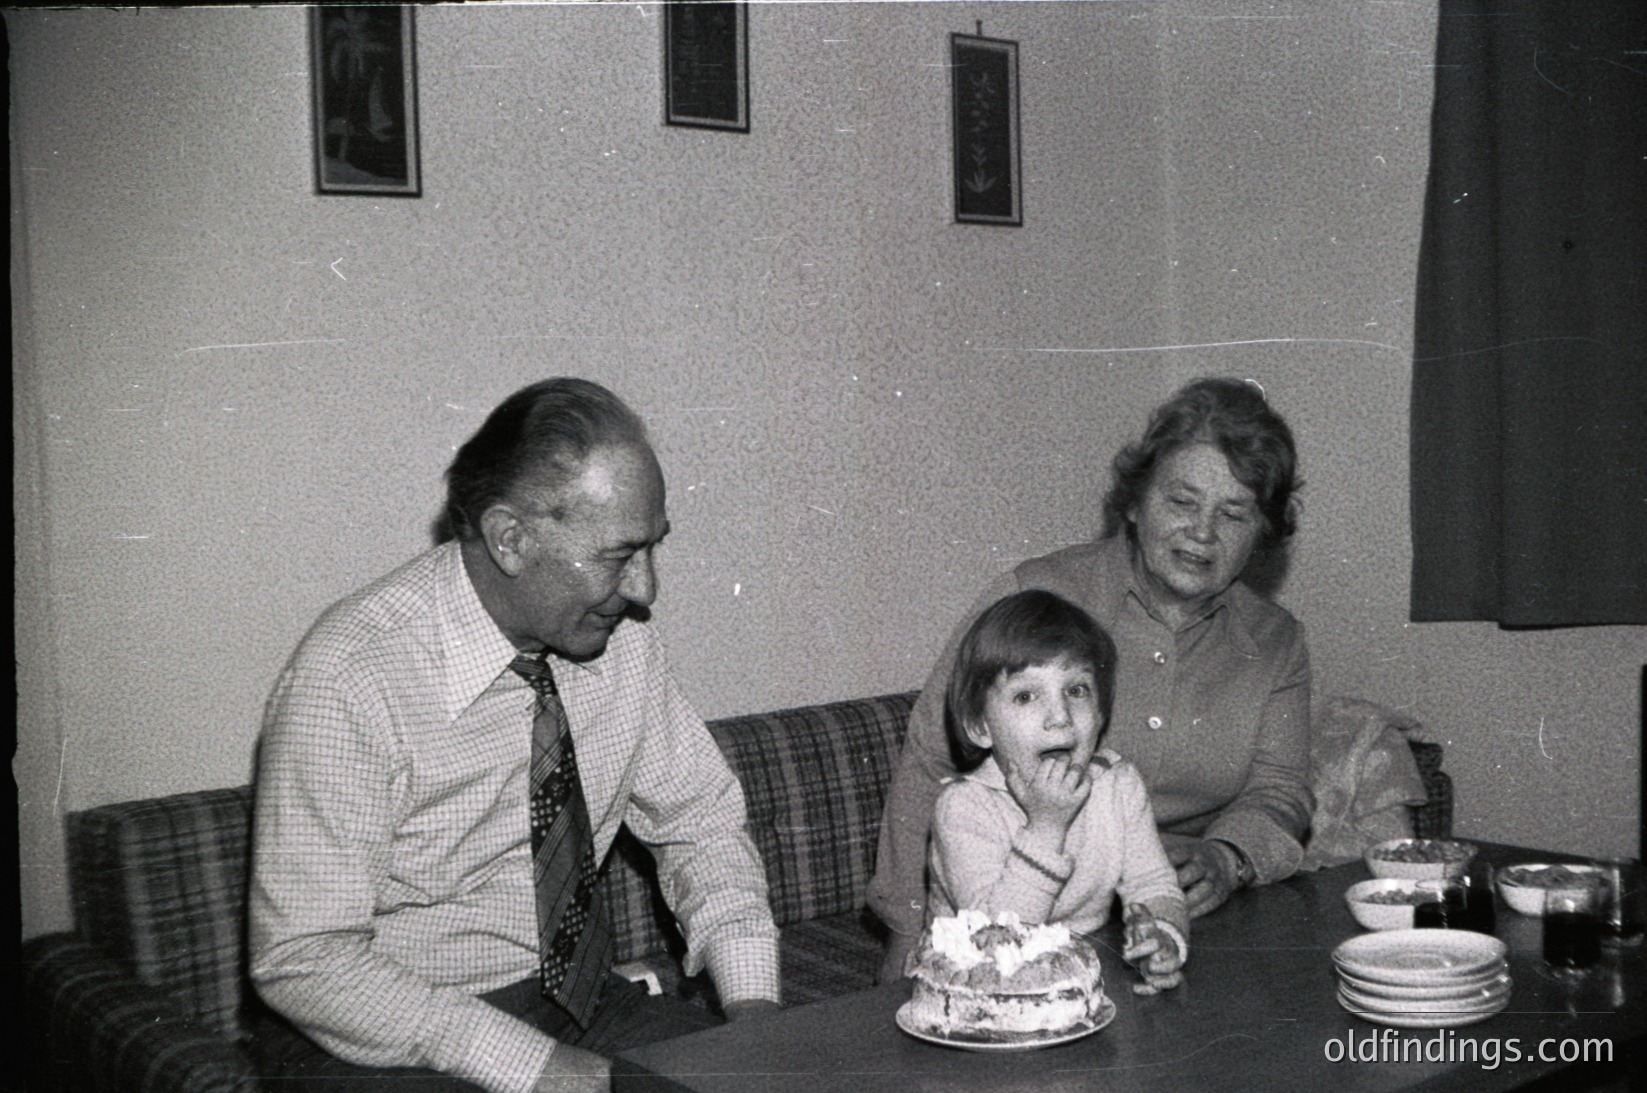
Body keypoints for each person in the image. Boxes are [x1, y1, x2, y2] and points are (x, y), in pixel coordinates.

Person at [249, 378, 781, 1093]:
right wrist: (523, 1062)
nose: (645, 590)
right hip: (373, 1039)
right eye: (618, 554)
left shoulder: (622, 645)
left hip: (577, 1003)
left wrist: (754, 1015)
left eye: (653, 548)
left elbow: (700, 824)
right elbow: (305, 956)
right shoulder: (352, 676)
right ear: (509, 538)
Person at [870, 376, 1312, 981]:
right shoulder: (1036, 597)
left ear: (1262, 534)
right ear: (1134, 502)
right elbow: (930, 758)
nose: (1203, 532)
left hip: (1171, 918)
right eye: (1182, 502)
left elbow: (1280, 790)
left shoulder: (1276, 641)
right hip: (1001, 904)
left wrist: (1227, 856)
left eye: (1233, 514)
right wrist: (907, 926)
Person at [927, 589, 1188, 994]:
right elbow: (996, 946)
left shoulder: (1116, 784)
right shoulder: (964, 807)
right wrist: (1047, 827)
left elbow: (1154, 884)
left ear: (1101, 715)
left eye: (1077, 690)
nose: (1060, 716)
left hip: (1080, 979)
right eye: (1026, 695)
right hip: (976, 993)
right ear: (980, 727)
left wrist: (1164, 937)